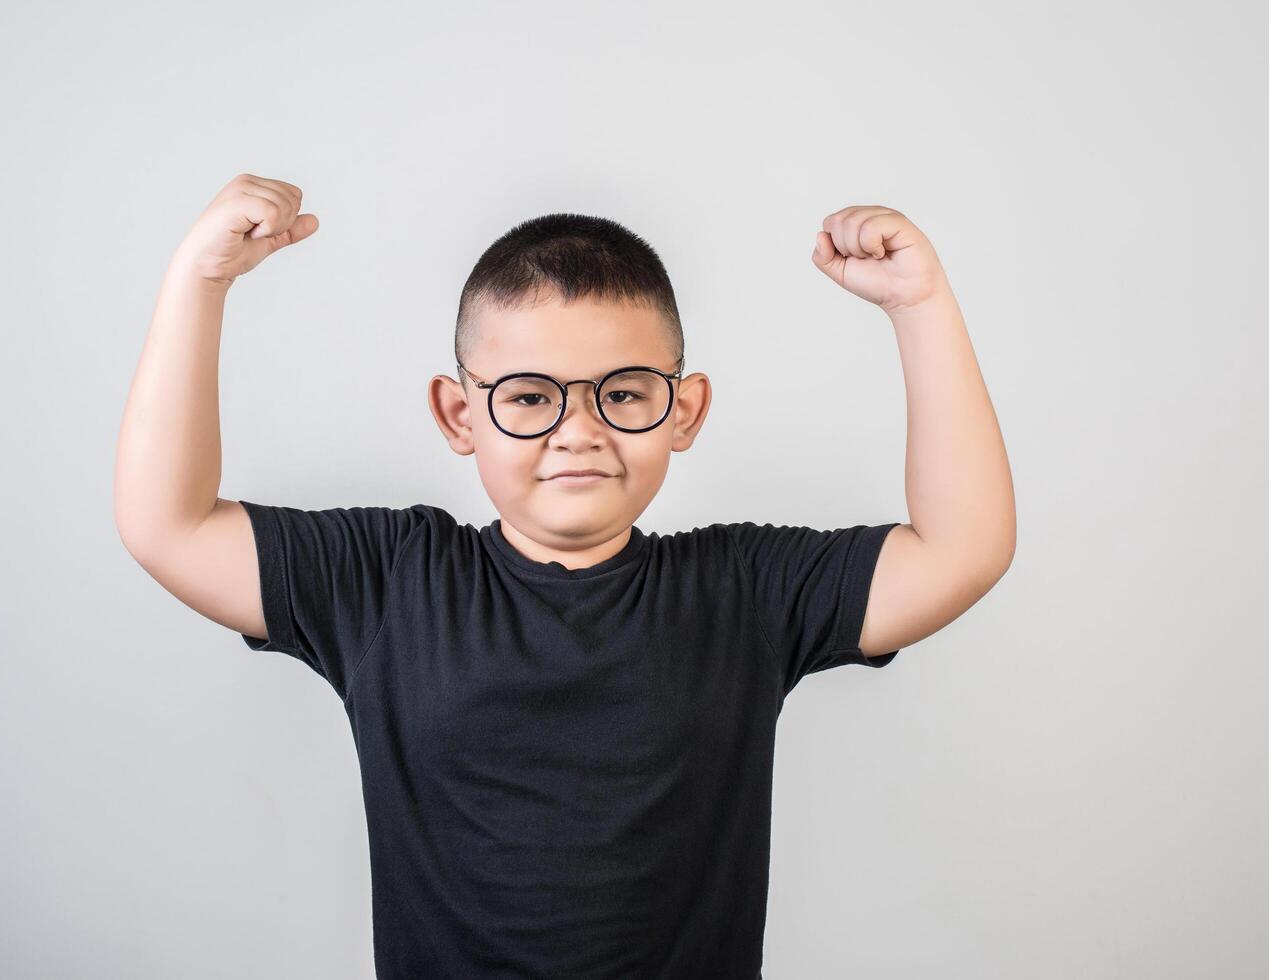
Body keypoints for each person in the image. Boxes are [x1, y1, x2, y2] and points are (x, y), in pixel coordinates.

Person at [113, 173, 1016, 978]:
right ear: (459, 412)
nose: (576, 430)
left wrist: (919, 304)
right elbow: (171, 524)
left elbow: (960, 548)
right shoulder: (386, 584)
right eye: (530, 397)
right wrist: (200, 281)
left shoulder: (742, 591)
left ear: (684, 411)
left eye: (621, 393)